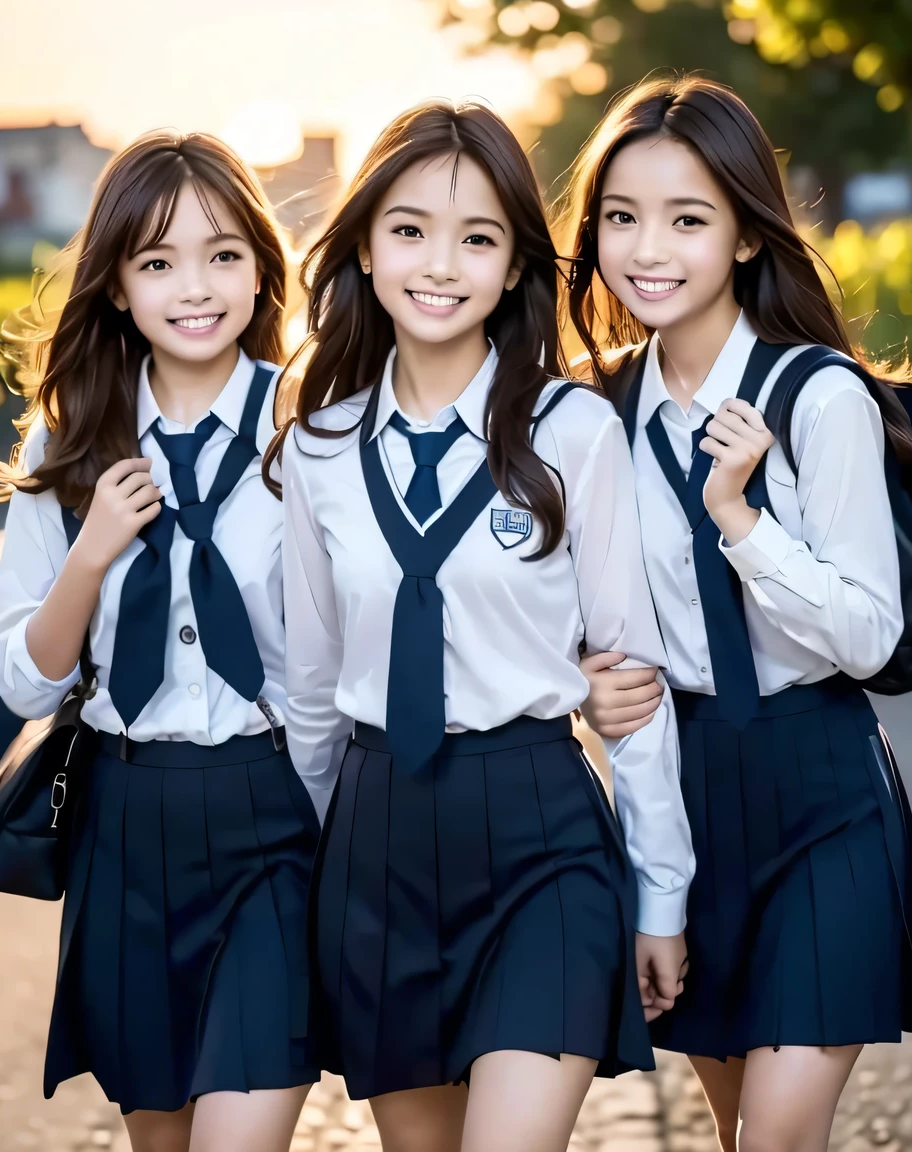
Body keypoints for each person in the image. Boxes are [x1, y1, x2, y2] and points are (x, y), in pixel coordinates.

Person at [278, 100, 694, 1152]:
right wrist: (303, 876)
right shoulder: (318, 450)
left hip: (540, 837)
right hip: (375, 844)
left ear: (515, 266)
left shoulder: (575, 431)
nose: (440, 263)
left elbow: (631, 678)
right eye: (410, 229)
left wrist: (662, 894)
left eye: (478, 237)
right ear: (365, 248)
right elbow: (312, 690)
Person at [564, 77, 912, 1152]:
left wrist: (743, 520)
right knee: (737, 1138)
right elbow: (571, 612)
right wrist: (576, 682)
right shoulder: (596, 412)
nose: (649, 248)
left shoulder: (816, 395)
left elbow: (870, 634)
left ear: (742, 234)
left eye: (688, 219)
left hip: (820, 793)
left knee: (775, 1139)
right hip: (681, 795)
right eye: (623, 218)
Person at [0, 131, 319, 1152]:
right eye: (158, 261)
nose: (195, 287)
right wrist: (88, 556)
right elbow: (21, 683)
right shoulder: (68, 438)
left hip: (271, 818)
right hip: (124, 826)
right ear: (117, 283)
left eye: (223, 254)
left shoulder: (310, 431)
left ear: (262, 267)